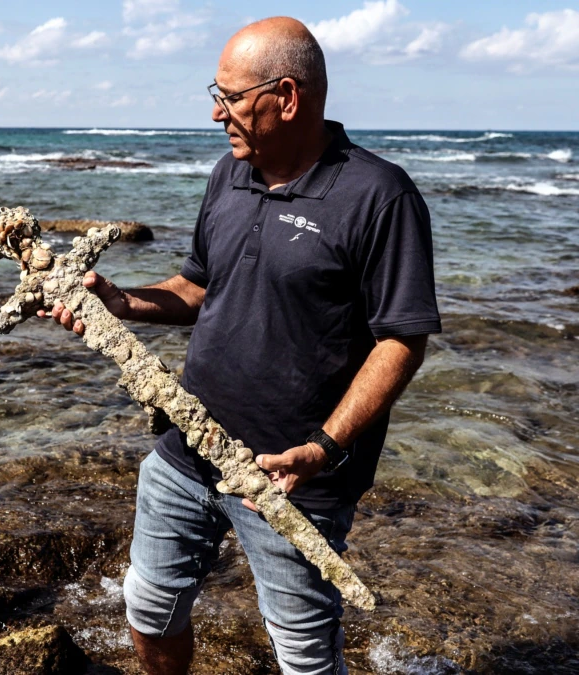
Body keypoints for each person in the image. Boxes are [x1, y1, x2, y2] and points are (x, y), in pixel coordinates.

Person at [40, 16, 440, 675]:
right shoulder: (229, 175)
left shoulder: (379, 196)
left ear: (285, 97)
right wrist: (121, 301)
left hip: (290, 480)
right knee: (150, 605)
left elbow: (401, 341)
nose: (214, 111)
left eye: (227, 96)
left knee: (305, 658)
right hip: (188, 445)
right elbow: (196, 285)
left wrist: (324, 447)